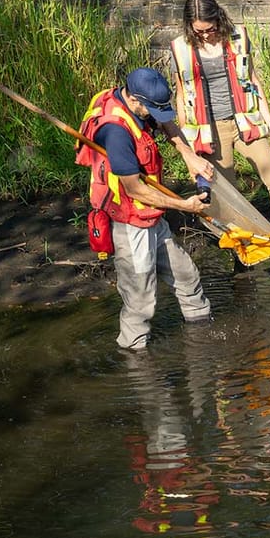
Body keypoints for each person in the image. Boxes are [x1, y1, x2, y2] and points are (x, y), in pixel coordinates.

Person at [79, 67, 213, 351]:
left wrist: (190, 157)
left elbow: (166, 125)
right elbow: (135, 189)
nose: (157, 116)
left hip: (152, 216)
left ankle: (202, 336)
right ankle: (134, 358)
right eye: (153, 109)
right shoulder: (116, 133)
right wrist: (184, 205)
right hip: (130, 222)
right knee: (141, 301)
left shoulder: (136, 105)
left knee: (187, 276)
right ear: (136, 100)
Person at [168, 0, 270, 238]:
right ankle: (247, 249)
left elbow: (253, 81)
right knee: (230, 196)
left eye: (210, 28)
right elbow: (181, 96)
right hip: (210, 132)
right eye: (199, 31)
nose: (206, 35)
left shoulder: (238, 37)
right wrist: (188, 143)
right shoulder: (180, 48)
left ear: (218, 17)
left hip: (245, 122)